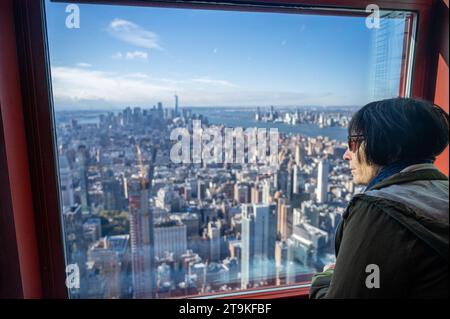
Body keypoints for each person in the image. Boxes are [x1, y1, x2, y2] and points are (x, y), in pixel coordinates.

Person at [309, 97, 449, 298]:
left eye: (353, 143)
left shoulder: (377, 210)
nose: (346, 155)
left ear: (392, 148)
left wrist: (327, 277)